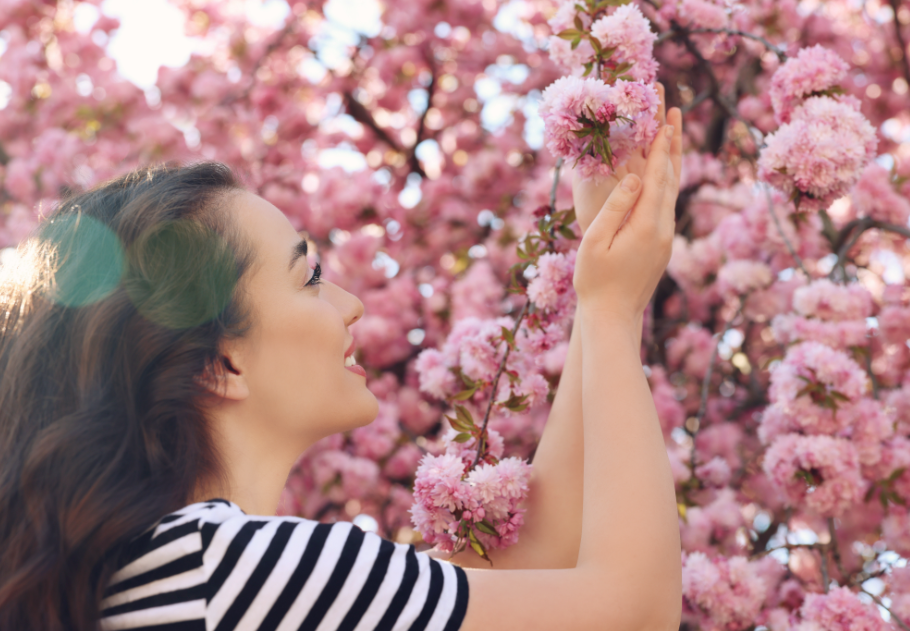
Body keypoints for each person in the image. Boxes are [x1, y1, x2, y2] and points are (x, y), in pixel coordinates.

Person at [0, 94, 684, 631]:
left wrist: (601, 285)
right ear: (221, 364)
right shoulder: (229, 568)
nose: (352, 304)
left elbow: (539, 570)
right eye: (311, 276)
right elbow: (631, 614)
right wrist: (612, 313)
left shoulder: (167, 572)